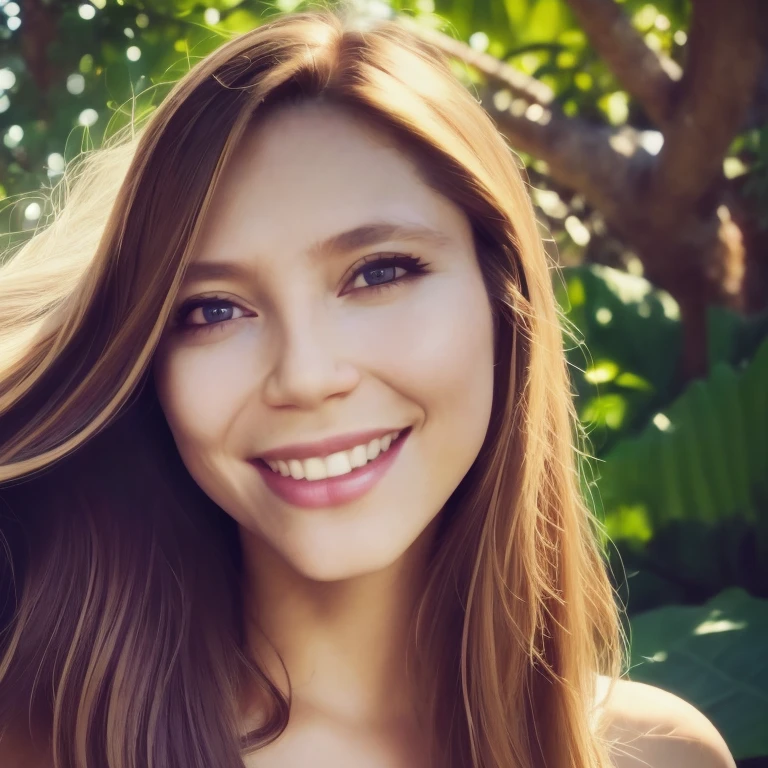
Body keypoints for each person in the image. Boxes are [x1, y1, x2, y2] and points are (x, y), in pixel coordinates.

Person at [0, 8, 735, 768]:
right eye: (213, 310)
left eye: (379, 272)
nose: (308, 377)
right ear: (150, 365)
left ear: (502, 296)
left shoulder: (658, 753)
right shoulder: (39, 745)